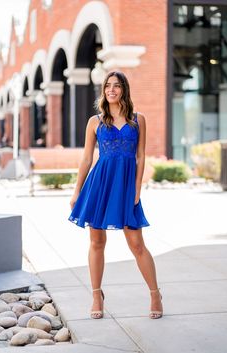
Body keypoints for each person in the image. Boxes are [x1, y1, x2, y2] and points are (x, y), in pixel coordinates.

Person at [69, 71, 163, 320]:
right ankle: (96, 294)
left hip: (126, 186)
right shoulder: (95, 121)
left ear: (124, 90)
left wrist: (137, 187)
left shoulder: (137, 119)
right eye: (108, 86)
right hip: (100, 185)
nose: (112, 89)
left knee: (137, 244)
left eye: (117, 86)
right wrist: (77, 190)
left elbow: (141, 156)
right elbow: (87, 158)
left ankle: (155, 293)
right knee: (97, 242)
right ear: (104, 90)